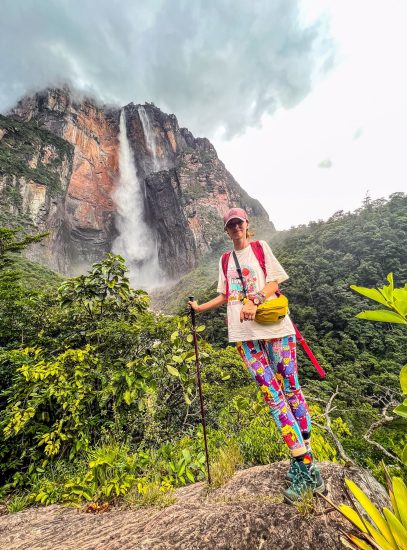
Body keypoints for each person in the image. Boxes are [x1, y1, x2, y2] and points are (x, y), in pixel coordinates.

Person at [188, 207, 324, 503]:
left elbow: (275, 282)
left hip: (276, 329)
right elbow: (225, 295)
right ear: (226, 230)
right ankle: (306, 464)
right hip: (244, 336)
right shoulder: (225, 260)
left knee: (291, 391)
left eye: (239, 223)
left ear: (247, 225)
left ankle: (304, 467)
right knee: (273, 397)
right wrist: (200, 308)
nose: (236, 228)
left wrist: (255, 299)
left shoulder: (261, 248)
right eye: (230, 225)